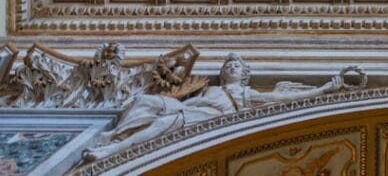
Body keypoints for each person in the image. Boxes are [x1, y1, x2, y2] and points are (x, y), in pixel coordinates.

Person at [83, 54, 346, 161]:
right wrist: (176, 96)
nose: (230, 68)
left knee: (163, 124)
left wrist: (323, 90)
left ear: (244, 75)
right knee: (144, 100)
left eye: (236, 67)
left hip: (209, 120)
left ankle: (114, 151)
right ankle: (114, 137)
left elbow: (277, 101)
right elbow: (188, 99)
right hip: (183, 109)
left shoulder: (244, 93)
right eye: (227, 66)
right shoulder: (213, 88)